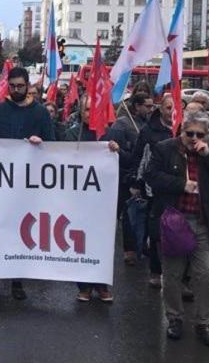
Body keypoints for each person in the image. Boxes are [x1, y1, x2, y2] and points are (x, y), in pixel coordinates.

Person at [146, 111, 209, 347]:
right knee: (173, 275)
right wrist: (181, 184)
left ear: (206, 135)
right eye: (189, 133)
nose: (193, 138)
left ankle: (204, 322)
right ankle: (174, 318)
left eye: (199, 134)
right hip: (175, 223)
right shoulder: (164, 148)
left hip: (204, 223)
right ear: (181, 130)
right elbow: (151, 176)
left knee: (207, 273)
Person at [0, 67, 55, 301]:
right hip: (1, 182)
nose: (16, 90)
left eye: (20, 86)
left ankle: (17, 279)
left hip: (28, 184)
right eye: (12, 86)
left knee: (22, 230)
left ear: (28, 85)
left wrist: (40, 143)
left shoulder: (40, 113)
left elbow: (52, 144)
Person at [64, 99, 121, 302]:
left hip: (103, 197)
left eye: (94, 109)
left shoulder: (110, 134)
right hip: (79, 197)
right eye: (86, 109)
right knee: (80, 240)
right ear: (81, 112)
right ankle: (84, 285)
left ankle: (101, 284)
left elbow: (126, 160)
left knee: (102, 240)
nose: (90, 113)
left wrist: (116, 150)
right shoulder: (72, 133)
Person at [130, 94, 176, 288]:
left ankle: (182, 278)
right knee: (156, 231)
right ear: (161, 109)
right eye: (168, 108)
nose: (172, 112)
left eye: (175, 108)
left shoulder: (186, 130)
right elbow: (138, 157)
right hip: (155, 189)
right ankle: (156, 270)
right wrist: (136, 183)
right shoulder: (149, 131)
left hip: (180, 189)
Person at [105, 92, 154, 266]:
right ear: (137, 106)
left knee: (145, 213)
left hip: (146, 177)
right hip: (125, 176)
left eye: (152, 106)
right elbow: (117, 154)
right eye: (147, 106)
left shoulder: (150, 124)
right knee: (127, 214)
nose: (151, 109)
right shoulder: (121, 125)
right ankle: (129, 250)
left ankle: (143, 245)